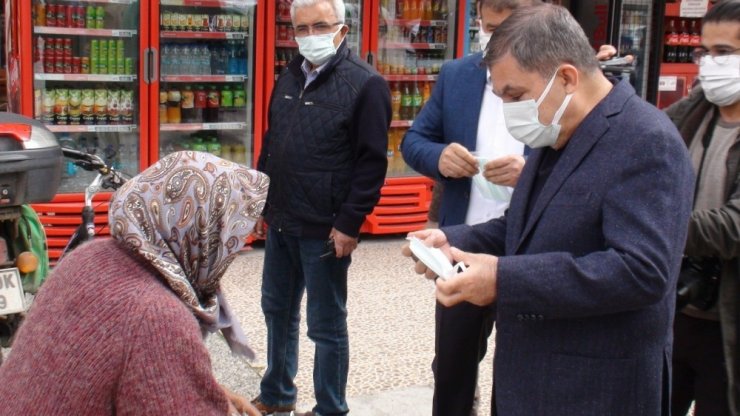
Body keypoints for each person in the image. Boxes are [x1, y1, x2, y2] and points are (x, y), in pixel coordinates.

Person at [403, 4, 695, 415]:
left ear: (567, 78)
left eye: (515, 96)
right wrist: (453, 239)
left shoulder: (646, 140)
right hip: (532, 381)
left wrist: (503, 281)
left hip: (597, 390)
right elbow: (522, 227)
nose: (509, 113)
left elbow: (641, 271)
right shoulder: (557, 131)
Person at [0, 151, 269, 416]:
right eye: (230, 237)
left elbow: (114, 374)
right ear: (201, 233)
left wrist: (207, 391)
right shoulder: (156, 318)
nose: (230, 252)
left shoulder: (88, 257)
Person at [250, 0, 391, 414]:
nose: (310, 35)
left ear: (342, 30)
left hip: (326, 229)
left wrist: (349, 223)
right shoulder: (289, 76)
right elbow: (273, 142)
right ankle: (277, 394)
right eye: (302, 28)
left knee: (325, 326)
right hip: (281, 220)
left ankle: (331, 407)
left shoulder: (365, 85)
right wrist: (262, 201)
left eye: (320, 26)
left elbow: (371, 163)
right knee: (276, 310)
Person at [400, 1, 536, 414]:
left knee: (522, 370)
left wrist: (528, 172)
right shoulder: (458, 75)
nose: (495, 38)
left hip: (529, 251)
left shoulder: (549, 78)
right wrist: (439, 157)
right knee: (454, 364)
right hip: (461, 246)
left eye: (506, 28)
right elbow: (414, 141)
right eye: (488, 27)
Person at [666, 1, 740, 415]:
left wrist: (660, 223)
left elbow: (734, 226)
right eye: (705, 52)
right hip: (674, 310)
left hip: (729, 326)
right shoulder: (687, 116)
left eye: (725, 53)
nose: (711, 63)